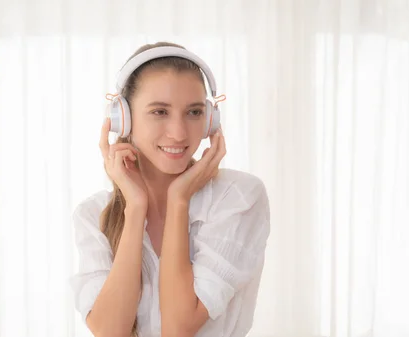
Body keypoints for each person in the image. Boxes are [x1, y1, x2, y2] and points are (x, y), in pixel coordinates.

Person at [70, 41, 271, 337]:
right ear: (123, 119)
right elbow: (110, 332)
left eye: (193, 112)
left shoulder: (238, 197)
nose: (178, 132)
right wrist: (135, 208)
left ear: (210, 121)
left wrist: (179, 200)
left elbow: (178, 328)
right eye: (160, 112)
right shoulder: (92, 215)